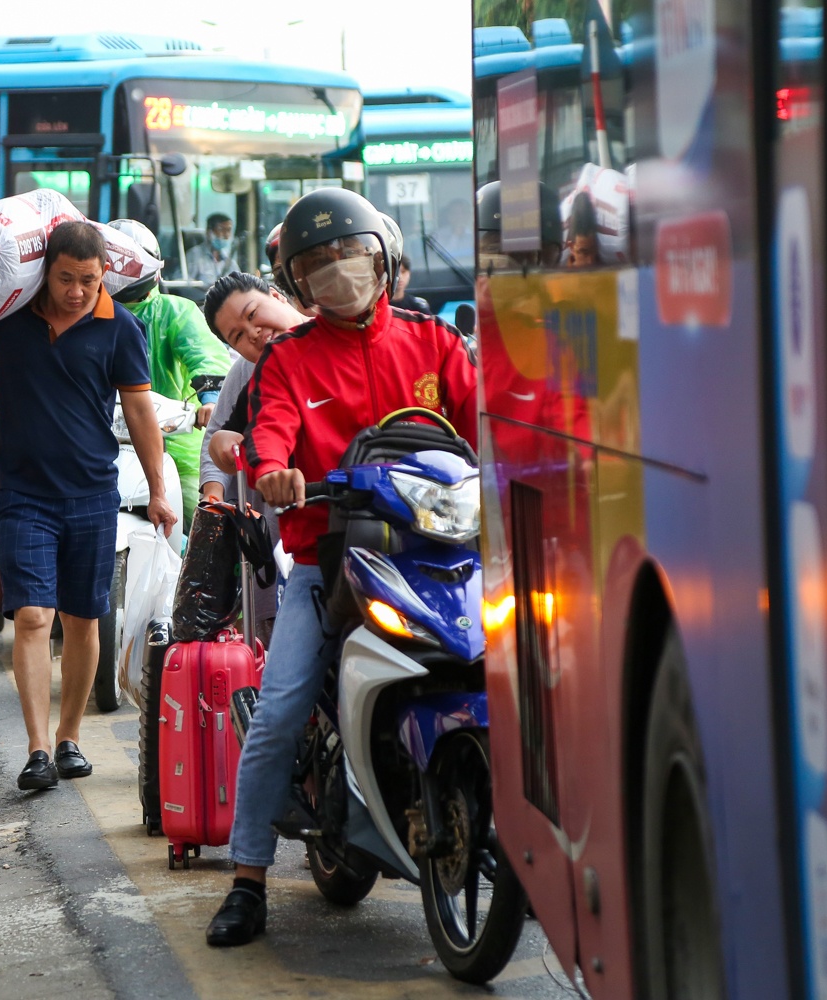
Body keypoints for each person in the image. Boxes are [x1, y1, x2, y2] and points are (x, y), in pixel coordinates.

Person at [204, 188, 478, 947]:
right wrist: (271, 471)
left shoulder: (435, 342)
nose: (337, 272)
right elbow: (270, 432)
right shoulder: (289, 359)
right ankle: (248, 878)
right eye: (316, 264)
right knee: (284, 705)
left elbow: (487, 419)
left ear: (384, 256)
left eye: (348, 254)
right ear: (295, 282)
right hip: (330, 560)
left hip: (442, 557)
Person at [0, 220, 177, 791]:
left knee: (84, 621)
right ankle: (36, 749)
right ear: (44, 273)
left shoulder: (121, 329)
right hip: (23, 494)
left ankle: (69, 738)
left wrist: (158, 489)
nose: (76, 291)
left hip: (92, 494)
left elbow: (139, 415)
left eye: (88, 279)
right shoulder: (12, 316)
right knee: (34, 617)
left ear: (104, 274)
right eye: (64, 279)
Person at [196, 272, 308, 647]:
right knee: (283, 688)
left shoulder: (342, 340)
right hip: (285, 554)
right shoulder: (255, 375)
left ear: (276, 294)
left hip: (361, 540)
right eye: (238, 336)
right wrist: (216, 492)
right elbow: (221, 437)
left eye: (253, 314)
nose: (254, 333)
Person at [107, 219, 232, 529]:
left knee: (204, 523)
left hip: (174, 443)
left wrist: (211, 399)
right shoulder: (85, 313)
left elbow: (203, 354)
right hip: (97, 439)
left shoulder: (176, 311)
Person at [188, 212, 238, 285]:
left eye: (228, 230)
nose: (226, 235)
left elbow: (240, 283)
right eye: (221, 230)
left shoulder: (229, 259)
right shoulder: (195, 255)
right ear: (209, 232)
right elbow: (185, 285)